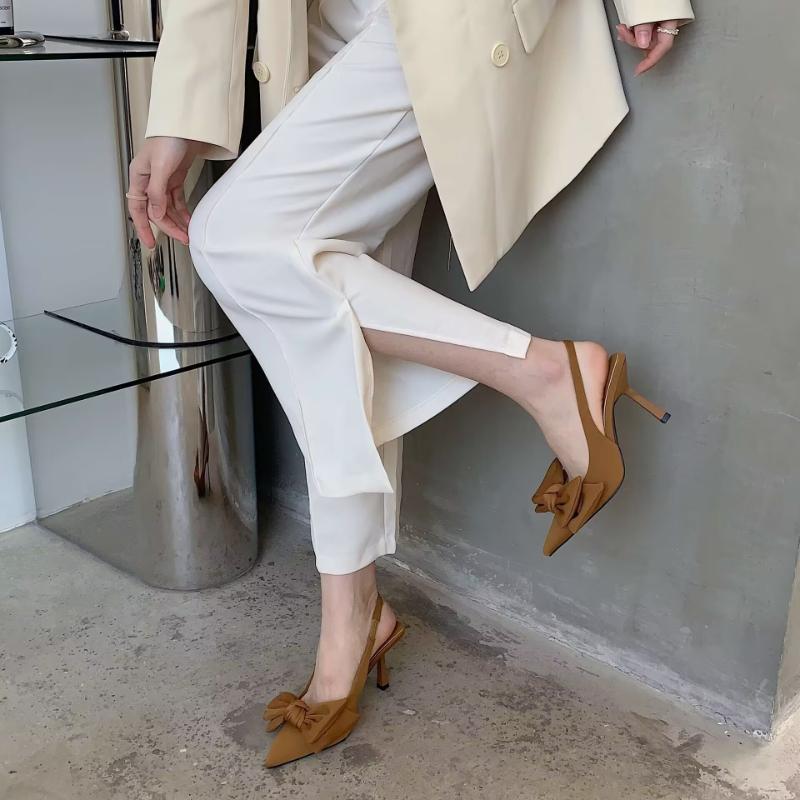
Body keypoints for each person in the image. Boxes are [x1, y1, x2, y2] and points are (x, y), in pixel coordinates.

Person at [127, 0, 694, 767]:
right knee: (319, 331)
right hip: (315, 28)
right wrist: (181, 108)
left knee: (233, 240)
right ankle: (353, 616)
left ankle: (544, 373)